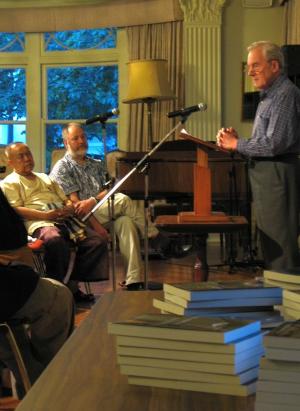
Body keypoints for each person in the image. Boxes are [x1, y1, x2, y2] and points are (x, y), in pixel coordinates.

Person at [50, 122, 176, 290]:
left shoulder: (96, 163)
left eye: (83, 136)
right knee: (123, 200)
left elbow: (108, 190)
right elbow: (76, 206)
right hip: (80, 221)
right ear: (66, 143)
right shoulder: (62, 167)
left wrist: (93, 200)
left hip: (101, 210)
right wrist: (97, 227)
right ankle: (156, 237)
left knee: (126, 221)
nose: (81, 141)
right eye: (75, 138)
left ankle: (134, 280)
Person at [216, 41, 300, 272]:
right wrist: (238, 142)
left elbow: (275, 144)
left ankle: (290, 303)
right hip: (267, 177)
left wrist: (237, 144)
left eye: (255, 65)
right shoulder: (268, 96)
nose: (249, 71)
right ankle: (278, 298)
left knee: (281, 247)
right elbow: (267, 139)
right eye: (249, 66)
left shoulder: (285, 94)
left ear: (274, 65)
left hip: (277, 175)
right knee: (270, 247)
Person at [1, 142, 108, 302]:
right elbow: (16, 210)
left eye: (28, 154)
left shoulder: (45, 177)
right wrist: (46, 216)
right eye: (21, 156)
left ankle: (72, 285)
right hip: (39, 222)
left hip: (64, 219)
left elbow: (65, 200)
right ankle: (56, 287)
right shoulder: (10, 182)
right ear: (10, 162)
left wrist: (69, 208)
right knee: (54, 240)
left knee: (96, 241)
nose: (27, 159)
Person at [0, 187, 74, 399]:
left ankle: (28, 378)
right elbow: (12, 236)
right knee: (58, 297)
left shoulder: (46, 181)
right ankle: (42, 385)